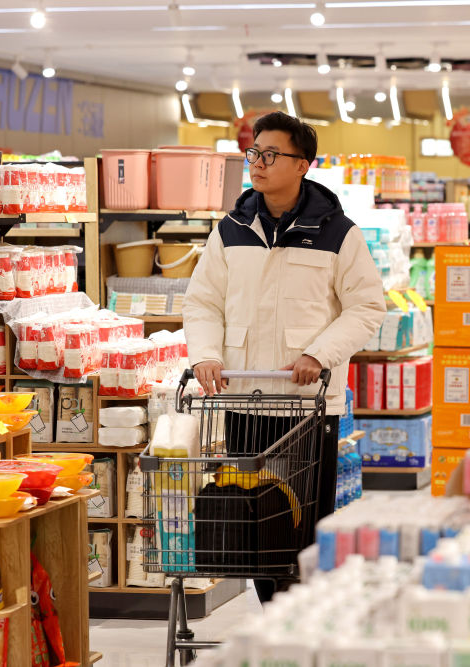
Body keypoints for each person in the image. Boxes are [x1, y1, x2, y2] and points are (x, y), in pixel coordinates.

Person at [183, 111, 386, 600]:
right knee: (254, 523)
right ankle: (274, 619)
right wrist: (206, 353)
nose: (257, 162)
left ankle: (302, 616)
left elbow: (367, 306)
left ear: (302, 165)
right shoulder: (230, 229)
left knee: (304, 527)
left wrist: (319, 354)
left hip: (306, 406)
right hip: (244, 401)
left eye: (271, 154)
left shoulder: (338, 233)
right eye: (254, 152)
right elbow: (203, 301)